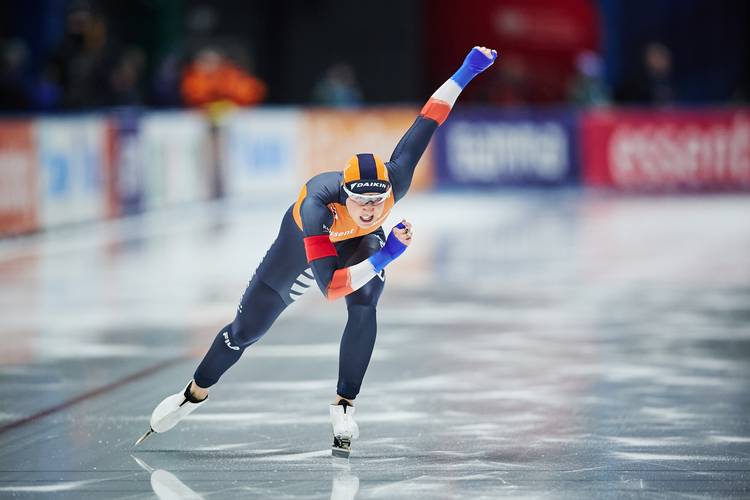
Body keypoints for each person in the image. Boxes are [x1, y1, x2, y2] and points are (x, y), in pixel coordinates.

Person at [136, 46, 498, 457]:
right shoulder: (316, 208)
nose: (369, 211)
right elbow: (329, 287)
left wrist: (466, 70)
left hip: (355, 249)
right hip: (298, 251)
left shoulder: (396, 178)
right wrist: (389, 253)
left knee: (367, 299)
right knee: (244, 333)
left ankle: (344, 404)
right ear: (344, 197)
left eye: (377, 203)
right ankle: (193, 394)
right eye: (361, 203)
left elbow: (430, 116)